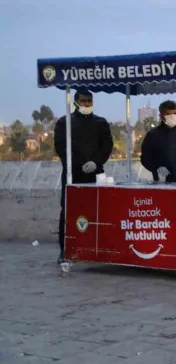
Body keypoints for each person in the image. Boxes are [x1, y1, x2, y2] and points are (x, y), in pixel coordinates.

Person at [54, 89, 113, 264]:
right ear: (76, 103)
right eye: (84, 101)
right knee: (68, 211)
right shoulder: (65, 123)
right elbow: (62, 147)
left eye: (90, 101)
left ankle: (98, 249)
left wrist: (96, 162)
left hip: (96, 174)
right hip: (73, 174)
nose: (87, 104)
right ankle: (65, 250)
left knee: (98, 210)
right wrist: (79, 163)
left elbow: (107, 145)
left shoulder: (100, 123)